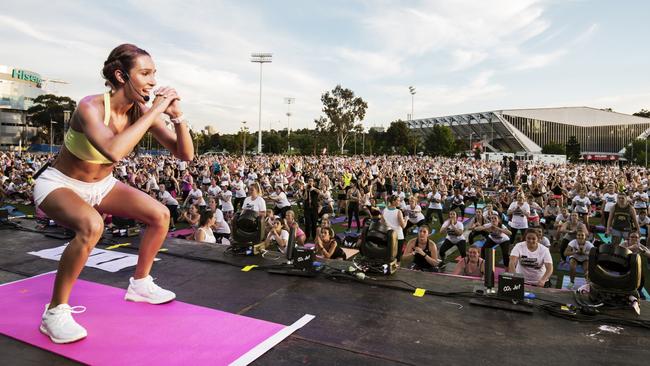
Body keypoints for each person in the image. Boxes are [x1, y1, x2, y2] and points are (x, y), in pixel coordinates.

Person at [32, 44, 193, 344]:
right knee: (92, 225)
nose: (153, 82)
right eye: (145, 73)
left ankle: (141, 284)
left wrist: (177, 117)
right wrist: (157, 109)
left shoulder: (141, 112)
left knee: (160, 214)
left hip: (101, 185)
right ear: (121, 76)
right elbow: (114, 150)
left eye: (154, 73)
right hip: (60, 183)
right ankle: (54, 312)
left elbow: (185, 154)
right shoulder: (89, 107)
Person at [382, 195, 406, 261]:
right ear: (393, 201)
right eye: (398, 200)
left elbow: (382, 222)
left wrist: (389, 225)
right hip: (398, 236)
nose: (399, 202)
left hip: (388, 235)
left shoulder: (384, 210)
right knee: (398, 256)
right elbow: (403, 226)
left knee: (389, 254)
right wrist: (406, 219)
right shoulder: (398, 211)